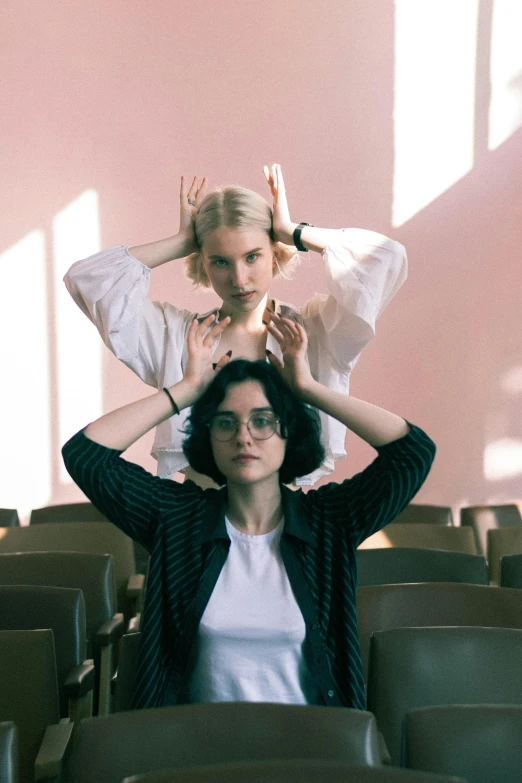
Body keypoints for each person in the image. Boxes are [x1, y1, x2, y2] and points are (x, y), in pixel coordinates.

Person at [62, 310, 436, 711]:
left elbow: (412, 452)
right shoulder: (177, 520)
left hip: (310, 753)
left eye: (263, 421)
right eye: (226, 423)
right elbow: (86, 456)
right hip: (196, 752)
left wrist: (307, 389)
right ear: (209, 436)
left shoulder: (328, 522)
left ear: (289, 432)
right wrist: (186, 390)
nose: (244, 437)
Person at [64, 164, 408, 487]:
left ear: (275, 252)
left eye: (252, 256)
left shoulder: (315, 334)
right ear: (204, 263)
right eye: (220, 261)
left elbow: (385, 258)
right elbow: (88, 280)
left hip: (289, 526)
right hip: (194, 524)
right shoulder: (179, 338)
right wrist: (183, 242)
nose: (239, 279)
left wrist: (294, 232)